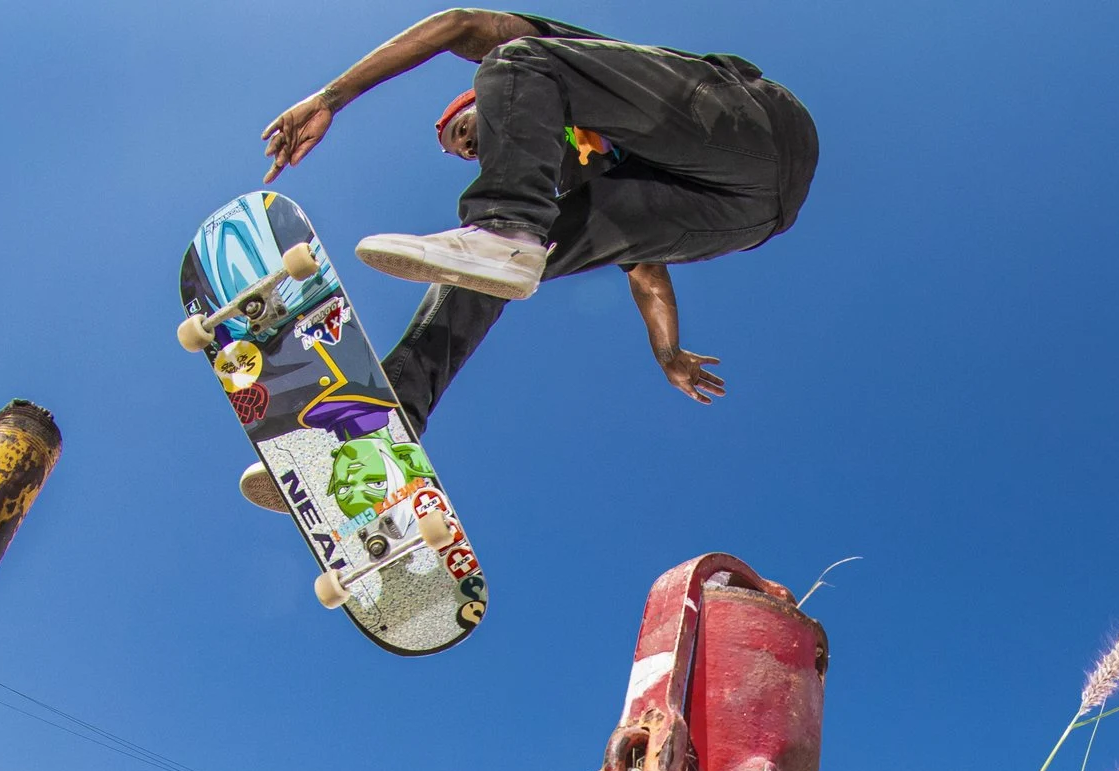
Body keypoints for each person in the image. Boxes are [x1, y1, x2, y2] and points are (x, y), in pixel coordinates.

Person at [242, 10, 816, 509]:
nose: (469, 150)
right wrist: (667, 353)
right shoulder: (569, 178)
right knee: (478, 270)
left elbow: (459, 24)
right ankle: (383, 420)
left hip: (751, 125)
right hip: (744, 217)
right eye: (465, 153)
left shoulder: (567, 69)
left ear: (485, 109)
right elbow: (647, 271)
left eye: (465, 133)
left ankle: (504, 223)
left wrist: (328, 99)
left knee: (515, 63)